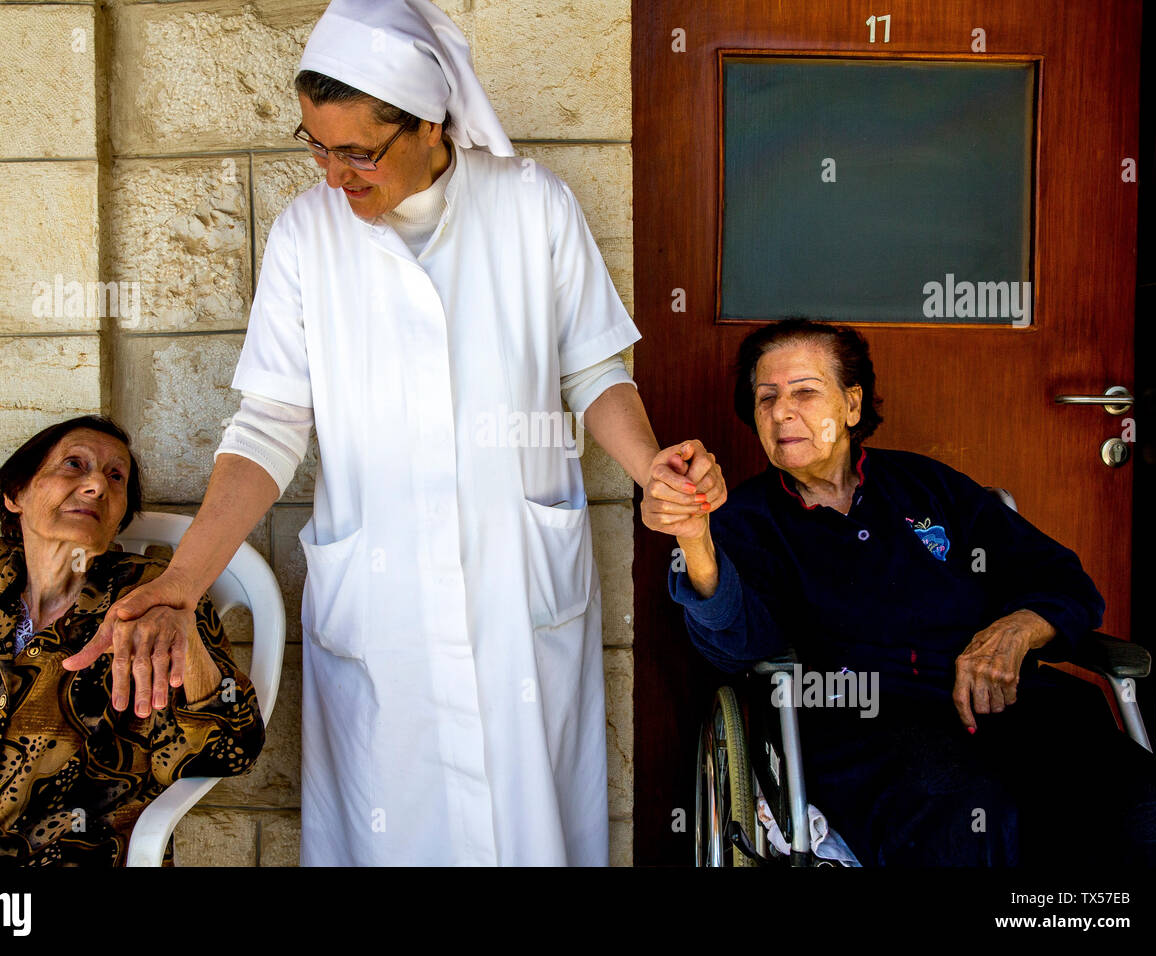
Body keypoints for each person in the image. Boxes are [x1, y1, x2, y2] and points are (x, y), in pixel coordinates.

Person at [75, 0, 725, 866]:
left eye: (357, 152)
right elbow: (270, 423)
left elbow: (595, 373)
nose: (334, 176)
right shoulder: (309, 235)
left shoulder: (530, 205)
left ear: (429, 124)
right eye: (316, 144)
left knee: (525, 829)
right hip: (383, 610)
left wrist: (650, 470)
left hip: (514, 592)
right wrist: (185, 581)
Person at [668, 317, 1156, 865]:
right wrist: (694, 534)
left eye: (805, 392)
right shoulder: (749, 521)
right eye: (766, 397)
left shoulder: (928, 487)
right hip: (867, 729)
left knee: (1153, 812)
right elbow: (736, 641)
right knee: (966, 821)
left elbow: (1060, 578)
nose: (782, 411)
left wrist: (1016, 630)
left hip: (1008, 705)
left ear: (852, 405)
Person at [0, 416, 265, 866]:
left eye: (115, 477)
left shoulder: (153, 597)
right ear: (15, 494)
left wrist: (184, 631)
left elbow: (230, 751)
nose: (97, 485)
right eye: (74, 465)